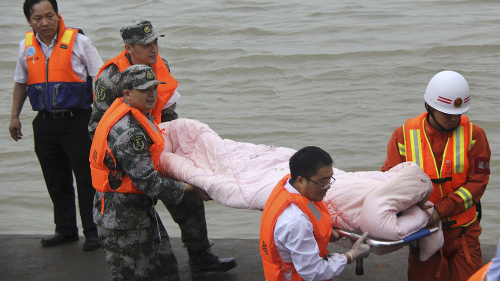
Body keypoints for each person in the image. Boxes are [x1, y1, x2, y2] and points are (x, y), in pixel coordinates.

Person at [88, 19, 236, 276]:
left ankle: (201, 257)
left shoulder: (161, 67)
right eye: (146, 45)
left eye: (156, 42)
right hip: (130, 156)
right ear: (128, 47)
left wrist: (180, 153)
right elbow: (97, 128)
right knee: (139, 227)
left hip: (159, 145)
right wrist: (129, 159)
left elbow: (168, 114)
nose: (153, 49)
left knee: (188, 200)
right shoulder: (110, 78)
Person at [90, 64, 212, 280]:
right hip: (121, 220)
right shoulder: (129, 132)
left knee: (167, 270)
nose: (152, 94)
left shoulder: (137, 114)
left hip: (137, 212)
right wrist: (192, 187)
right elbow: (149, 183)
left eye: (154, 88)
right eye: (145, 89)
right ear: (126, 94)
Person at [8, 0, 102, 251]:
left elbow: (102, 78)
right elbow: (21, 83)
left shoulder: (80, 42)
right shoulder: (25, 47)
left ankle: (94, 232)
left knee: (86, 178)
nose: (45, 22)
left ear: (58, 15)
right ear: (29, 21)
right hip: (45, 123)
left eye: (49, 16)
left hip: (78, 120)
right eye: (38, 18)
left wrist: (104, 119)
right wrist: (14, 116)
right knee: (55, 178)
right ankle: (65, 229)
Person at [381, 70, 491, 281]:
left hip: (463, 232)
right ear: (429, 107)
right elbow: (389, 181)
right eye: (447, 113)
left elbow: (478, 183)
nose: (454, 119)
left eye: (458, 113)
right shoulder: (403, 135)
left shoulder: (475, 135)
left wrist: (440, 211)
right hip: (423, 232)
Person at [260, 146, 371, 280]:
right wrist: (351, 255)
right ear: (301, 180)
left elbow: (311, 213)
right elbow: (314, 272)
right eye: (322, 182)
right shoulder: (296, 221)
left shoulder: (288, 187)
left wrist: (327, 231)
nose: (327, 187)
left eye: (330, 179)